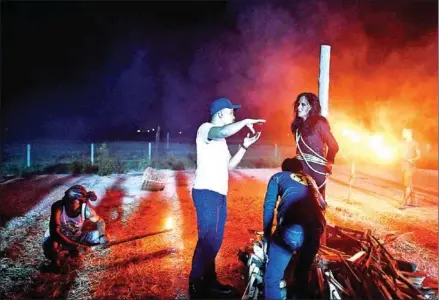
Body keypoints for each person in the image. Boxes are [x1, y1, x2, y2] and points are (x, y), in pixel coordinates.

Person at [189, 97, 265, 298]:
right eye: (232, 112)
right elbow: (222, 130)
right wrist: (245, 122)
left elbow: (229, 166)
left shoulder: (221, 141)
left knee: (214, 238)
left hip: (219, 193)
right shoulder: (205, 129)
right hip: (206, 192)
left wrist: (244, 146)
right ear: (221, 113)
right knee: (209, 241)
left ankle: (210, 280)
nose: (234, 116)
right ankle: (196, 285)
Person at [263, 158, 326, 300]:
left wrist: (267, 237)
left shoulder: (278, 177)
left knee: (272, 279)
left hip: (292, 228)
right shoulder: (310, 180)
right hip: (316, 229)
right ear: (300, 170)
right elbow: (323, 205)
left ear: (284, 169)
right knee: (302, 273)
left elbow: (269, 206)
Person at [42, 185, 109, 272]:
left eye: (76, 200)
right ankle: (55, 264)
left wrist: (102, 236)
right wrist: (77, 246)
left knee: (101, 236)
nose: (72, 203)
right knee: (51, 244)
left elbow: (100, 221)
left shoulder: (86, 210)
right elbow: (54, 233)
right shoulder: (58, 207)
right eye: (70, 199)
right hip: (59, 240)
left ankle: (72, 251)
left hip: (76, 237)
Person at [291, 92, 339, 200]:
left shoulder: (319, 123)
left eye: (303, 104)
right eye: (298, 104)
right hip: (300, 169)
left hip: (316, 170)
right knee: (299, 203)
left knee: (317, 204)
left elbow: (334, 146)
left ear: (311, 107)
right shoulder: (298, 127)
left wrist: (328, 163)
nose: (299, 107)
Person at [399, 128, 421, 209]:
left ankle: (404, 203)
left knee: (407, 185)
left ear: (409, 133)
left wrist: (412, 159)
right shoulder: (402, 143)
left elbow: (419, 156)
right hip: (403, 166)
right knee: (409, 184)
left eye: (404, 132)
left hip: (410, 167)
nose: (402, 134)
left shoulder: (414, 143)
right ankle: (413, 202)